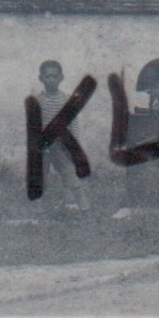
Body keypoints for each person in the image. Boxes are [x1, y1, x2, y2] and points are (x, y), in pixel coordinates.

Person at [34, 60, 91, 213]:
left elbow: (72, 123)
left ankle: (84, 207)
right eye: (47, 77)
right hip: (44, 145)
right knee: (40, 175)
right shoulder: (38, 101)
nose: (51, 80)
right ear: (41, 78)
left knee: (70, 173)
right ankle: (39, 209)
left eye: (54, 76)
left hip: (61, 144)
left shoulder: (66, 99)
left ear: (61, 78)